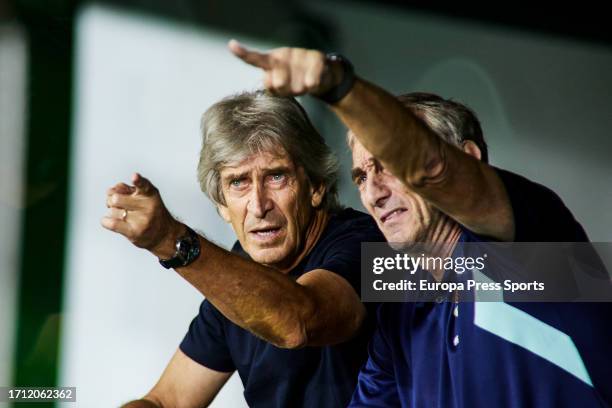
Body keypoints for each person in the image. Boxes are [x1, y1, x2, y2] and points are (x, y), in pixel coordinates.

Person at [229, 40, 612, 407]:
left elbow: (432, 168)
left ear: (470, 159)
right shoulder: (401, 302)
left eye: (389, 165)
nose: (374, 193)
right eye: (362, 176)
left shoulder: (531, 243)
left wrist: (339, 86)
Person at [102, 90, 384, 407]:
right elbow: (167, 401)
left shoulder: (369, 242)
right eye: (239, 182)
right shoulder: (239, 274)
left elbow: (296, 322)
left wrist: (170, 241)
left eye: (276, 176)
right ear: (221, 204)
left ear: (316, 186)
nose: (259, 206)